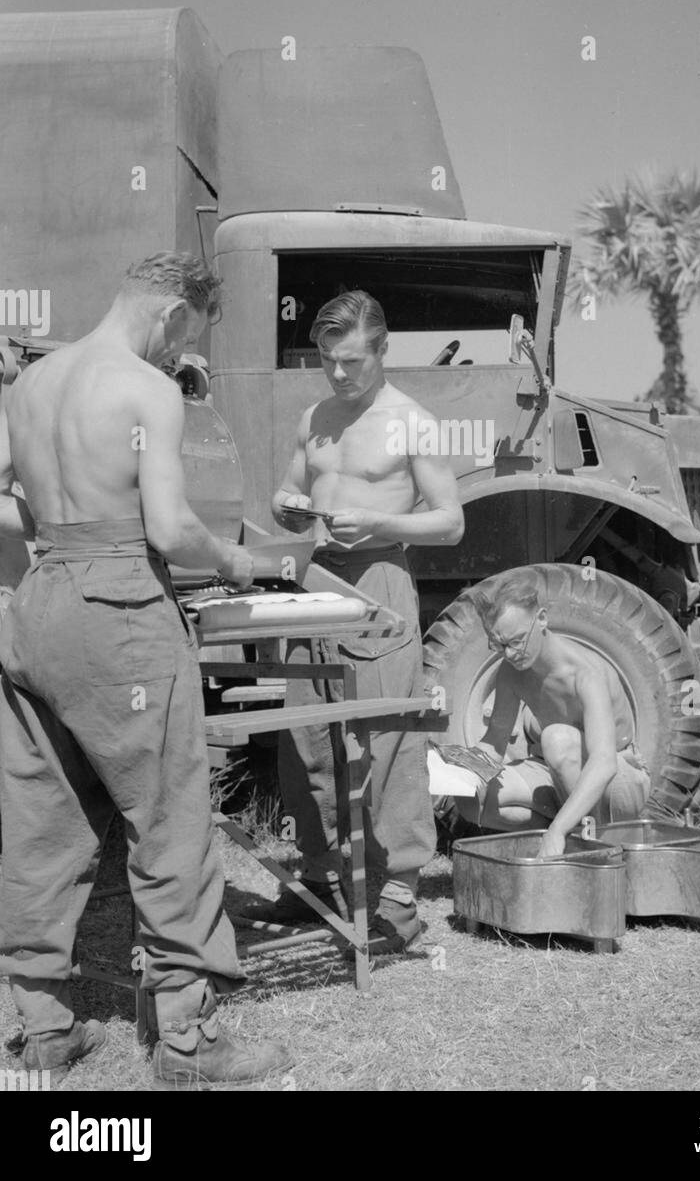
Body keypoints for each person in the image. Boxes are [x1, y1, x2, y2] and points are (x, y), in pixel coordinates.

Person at [0, 250, 291, 1089]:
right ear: (170, 316)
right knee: (169, 819)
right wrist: (232, 560)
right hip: (119, 610)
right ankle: (187, 1044)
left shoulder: (33, 384)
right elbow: (169, 530)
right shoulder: (148, 389)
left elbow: (8, 496)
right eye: (183, 339)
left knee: (42, 823)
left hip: (37, 603)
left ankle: (45, 1032)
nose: (177, 358)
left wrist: (63, 526)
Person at [243, 290, 464, 950]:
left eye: (351, 360)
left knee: (389, 740)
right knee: (305, 738)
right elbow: (291, 492)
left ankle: (396, 894)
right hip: (315, 586)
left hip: (380, 583)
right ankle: (317, 880)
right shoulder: (314, 416)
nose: (339, 373)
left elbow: (451, 521)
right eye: (327, 360)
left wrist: (378, 520)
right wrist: (287, 505)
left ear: (382, 349)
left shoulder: (411, 421)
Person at [459, 576, 650, 857]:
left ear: (542, 619)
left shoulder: (586, 674)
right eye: (498, 645)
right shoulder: (511, 672)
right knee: (471, 800)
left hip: (618, 781)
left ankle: (591, 846)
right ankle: (568, 836)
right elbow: (495, 742)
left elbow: (604, 762)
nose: (509, 654)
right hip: (556, 773)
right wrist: (459, 769)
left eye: (517, 642)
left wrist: (557, 830)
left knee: (557, 739)